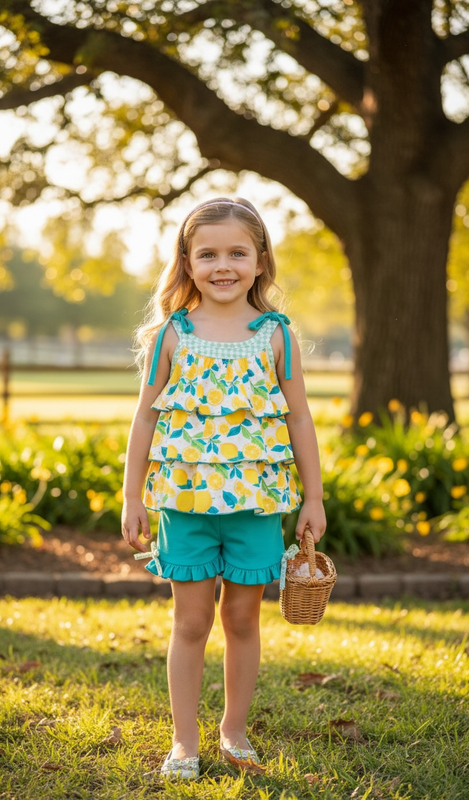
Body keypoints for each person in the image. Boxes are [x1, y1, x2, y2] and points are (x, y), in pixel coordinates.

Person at [121, 197, 326, 780]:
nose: (223, 265)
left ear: (261, 260)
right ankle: (184, 741)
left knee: (242, 620)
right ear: (187, 263)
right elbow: (144, 417)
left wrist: (314, 498)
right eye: (207, 254)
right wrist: (133, 497)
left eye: (237, 252)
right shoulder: (172, 335)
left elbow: (300, 418)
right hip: (185, 506)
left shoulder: (276, 336)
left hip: (256, 506)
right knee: (190, 623)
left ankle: (233, 731)